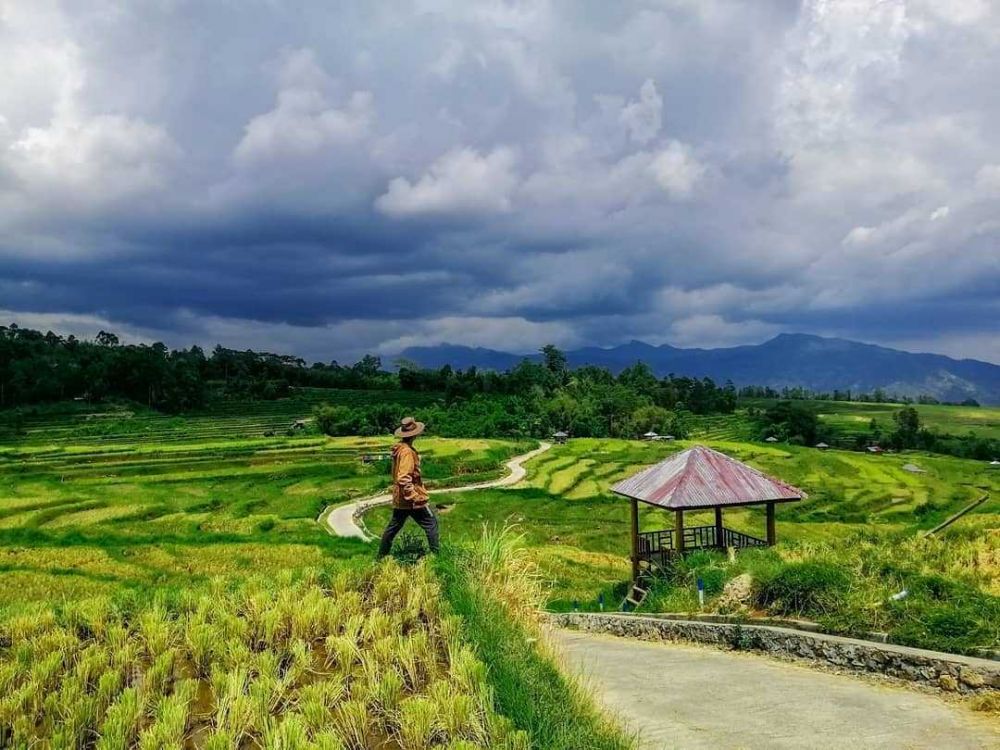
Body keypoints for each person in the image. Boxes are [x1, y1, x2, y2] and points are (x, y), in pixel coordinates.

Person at [377, 416, 439, 558]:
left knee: (393, 527)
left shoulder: (400, 449)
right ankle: (437, 557)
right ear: (415, 434)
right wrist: (415, 497)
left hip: (400, 498)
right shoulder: (407, 452)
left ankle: (380, 557)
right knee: (431, 523)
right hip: (410, 499)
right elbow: (404, 477)